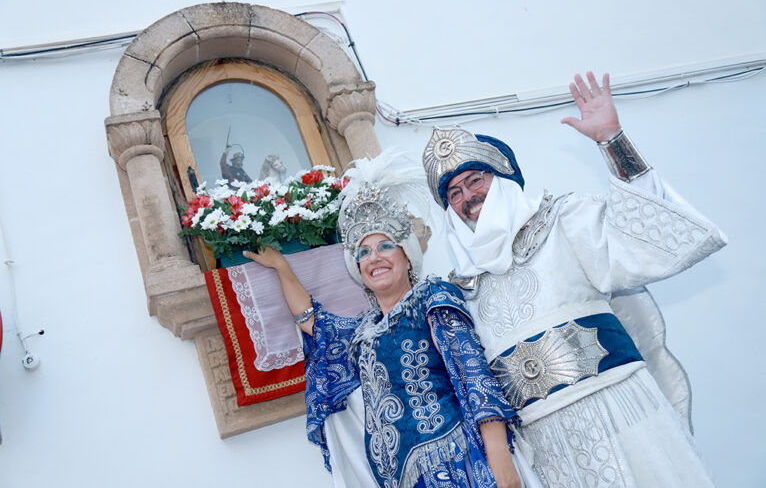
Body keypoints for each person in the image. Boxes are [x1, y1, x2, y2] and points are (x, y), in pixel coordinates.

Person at [421, 72, 726, 487]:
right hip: (548, 445)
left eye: (475, 179)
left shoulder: (564, 220)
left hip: (621, 409)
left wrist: (613, 140)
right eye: (453, 193)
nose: (467, 197)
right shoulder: (460, 289)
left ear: (504, 180)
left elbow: (641, 240)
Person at [244, 150, 525, 488]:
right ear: (359, 270)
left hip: (458, 464)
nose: (373, 257)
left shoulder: (432, 296)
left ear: (408, 257)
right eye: (363, 252)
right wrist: (282, 269)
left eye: (385, 247)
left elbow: (474, 377)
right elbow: (311, 322)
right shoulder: (362, 330)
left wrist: (501, 463)